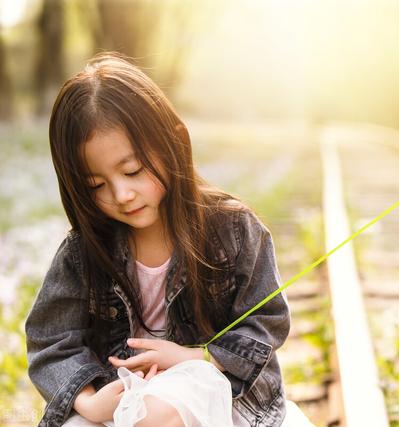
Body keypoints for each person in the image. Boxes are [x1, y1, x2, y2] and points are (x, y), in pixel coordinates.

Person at [25, 52, 308, 427]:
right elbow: (50, 341)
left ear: (173, 143)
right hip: (120, 395)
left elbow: (267, 320)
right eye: (96, 185)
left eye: (133, 170)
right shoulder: (83, 253)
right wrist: (90, 403)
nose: (122, 194)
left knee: (154, 416)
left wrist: (195, 357)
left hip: (215, 386)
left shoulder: (233, 229)